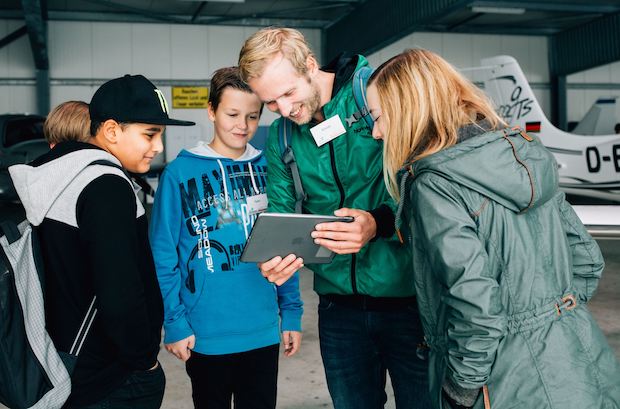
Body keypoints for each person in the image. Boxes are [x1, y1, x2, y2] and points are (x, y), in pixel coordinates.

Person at [366, 48, 620, 409]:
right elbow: (587, 260)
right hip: (578, 362)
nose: (377, 133)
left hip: (505, 383)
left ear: (409, 111)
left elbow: (476, 310)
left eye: (379, 117)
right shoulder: (526, 153)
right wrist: (548, 318)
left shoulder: (435, 184)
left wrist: (460, 390)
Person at [238, 27, 430, 409]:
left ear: (310, 66)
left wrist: (378, 223)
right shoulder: (281, 138)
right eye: (271, 103)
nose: (285, 110)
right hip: (338, 309)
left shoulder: (375, 96)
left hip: (410, 299)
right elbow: (283, 213)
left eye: (289, 93)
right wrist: (278, 256)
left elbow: (430, 188)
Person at [10, 75, 195, 409]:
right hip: (111, 377)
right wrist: (144, 360)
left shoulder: (58, 175)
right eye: (150, 134)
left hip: (66, 364)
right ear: (111, 131)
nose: (158, 147)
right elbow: (120, 292)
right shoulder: (107, 187)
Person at [150, 66, 303, 409]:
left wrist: (290, 312)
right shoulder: (180, 172)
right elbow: (164, 254)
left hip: (262, 328)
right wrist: (174, 322)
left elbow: (286, 244)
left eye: (252, 116)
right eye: (232, 114)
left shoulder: (269, 168)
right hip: (206, 332)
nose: (242, 125)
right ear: (211, 111)